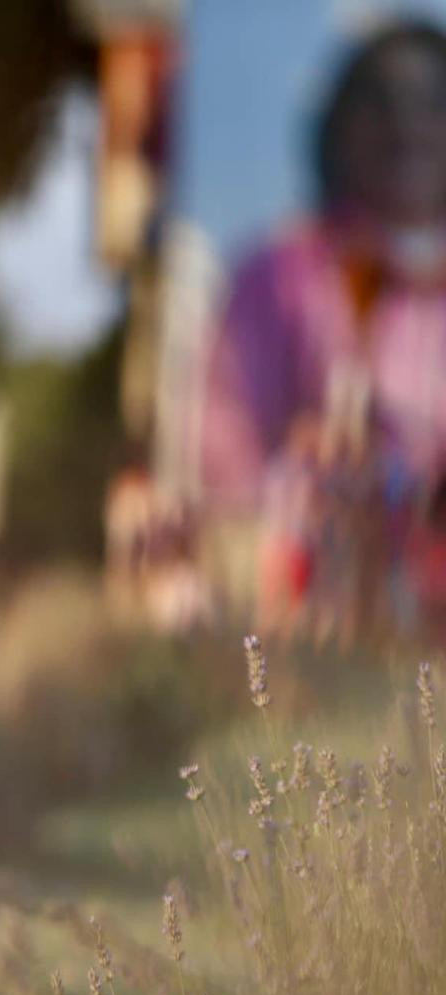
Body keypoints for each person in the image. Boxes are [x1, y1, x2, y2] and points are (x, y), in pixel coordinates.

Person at [200, 19, 446, 631]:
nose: (408, 127)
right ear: (339, 128)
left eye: (433, 105)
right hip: (302, 620)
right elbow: (225, 463)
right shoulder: (276, 277)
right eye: (382, 103)